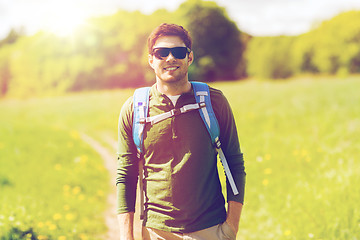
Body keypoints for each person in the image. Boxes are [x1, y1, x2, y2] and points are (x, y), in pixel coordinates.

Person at [117, 23, 246, 240]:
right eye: (161, 53)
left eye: (178, 52)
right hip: (156, 231)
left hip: (209, 229)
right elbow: (126, 175)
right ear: (151, 60)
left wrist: (231, 227)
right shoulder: (134, 109)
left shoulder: (214, 102)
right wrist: (126, 236)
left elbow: (234, 163)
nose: (170, 58)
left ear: (190, 57)